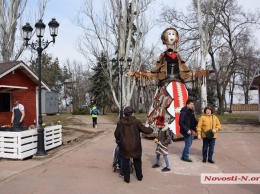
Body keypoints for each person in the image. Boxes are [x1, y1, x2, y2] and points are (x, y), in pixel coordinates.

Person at [114, 106, 153, 183]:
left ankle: (127, 179)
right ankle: (139, 177)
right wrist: (151, 129)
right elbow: (145, 130)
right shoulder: (136, 121)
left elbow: (116, 134)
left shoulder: (120, 122)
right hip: (136, 145)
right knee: (137, 161)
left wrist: (120, 139)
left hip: (124, 146)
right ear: (132, 113)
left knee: (125, 161)